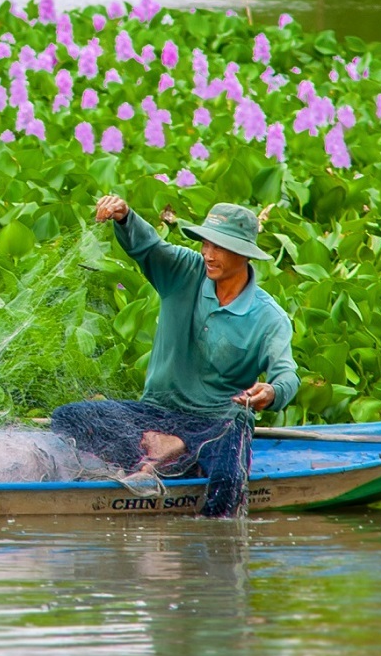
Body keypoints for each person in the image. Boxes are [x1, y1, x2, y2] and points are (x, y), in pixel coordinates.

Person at [49, 196, 299, 516]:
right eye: (206, 244)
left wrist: (272, 392)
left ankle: (172, 458)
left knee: (226, 483)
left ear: (244, 253)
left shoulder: (268, 317)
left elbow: (287, 374)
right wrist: (125, 216)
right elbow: (149, 247)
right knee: (68, 418)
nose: (208, 254)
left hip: (218, 423)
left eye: (219, 247)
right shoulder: (184, 270)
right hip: (156, 413)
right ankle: (166, 450)